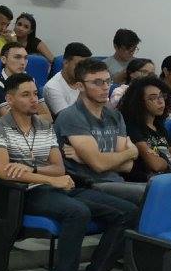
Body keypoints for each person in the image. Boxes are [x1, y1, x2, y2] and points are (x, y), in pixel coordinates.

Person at [0, 73, 135, 271]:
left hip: (56, 186)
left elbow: (58, 168)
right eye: (25, 95)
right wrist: (49, 180)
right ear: (10, 99)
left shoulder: (45, 126)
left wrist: (32, 168)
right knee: (77, 212)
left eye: (35, 94)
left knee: (128, 211)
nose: (34, 99)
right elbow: (3, 171)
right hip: (24, 193)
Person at [53, 59, 145, 204]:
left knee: (166, 190)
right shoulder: (71, 116)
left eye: (108, 81)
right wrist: (131, 152)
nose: (106, 87)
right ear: (80, 86)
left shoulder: (115, 116)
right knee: (153, 196)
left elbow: (128, 166)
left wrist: (87, 159)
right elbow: (99, 165)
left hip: (117, 181)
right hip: (89, 185)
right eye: (97, 82)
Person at [118, 76, 171, 184]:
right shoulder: (132, 128)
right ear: (139, 102)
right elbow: (155, 165)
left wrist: (165, 162)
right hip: (145, 182)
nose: (161, 101)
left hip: (169, 179)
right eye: (153, 98)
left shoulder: (160, 128)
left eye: (162, 96)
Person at [0, 41, 50, 118]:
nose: (23, 62)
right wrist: (33, 115)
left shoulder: (31, 81)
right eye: (17, 57)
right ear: (4, 59)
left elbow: (48, 117)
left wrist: (21, 113)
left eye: (25, 58)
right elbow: (11, 120)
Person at [43, 42, 92, 116]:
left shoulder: (88, 79)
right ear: (66, 62)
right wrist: (83, 93)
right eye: (79, 65)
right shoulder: (52, 88)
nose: (84, 69)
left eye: (86, 65)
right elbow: (67, 118)